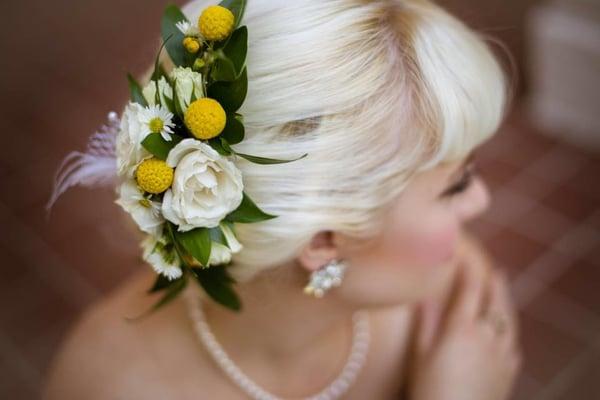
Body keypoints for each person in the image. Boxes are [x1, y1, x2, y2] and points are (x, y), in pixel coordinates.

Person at [43, 0, 521, 399]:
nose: (480, 200)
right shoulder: (105, 382)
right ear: (323, 240)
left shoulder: (449, 297)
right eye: (455, 186)